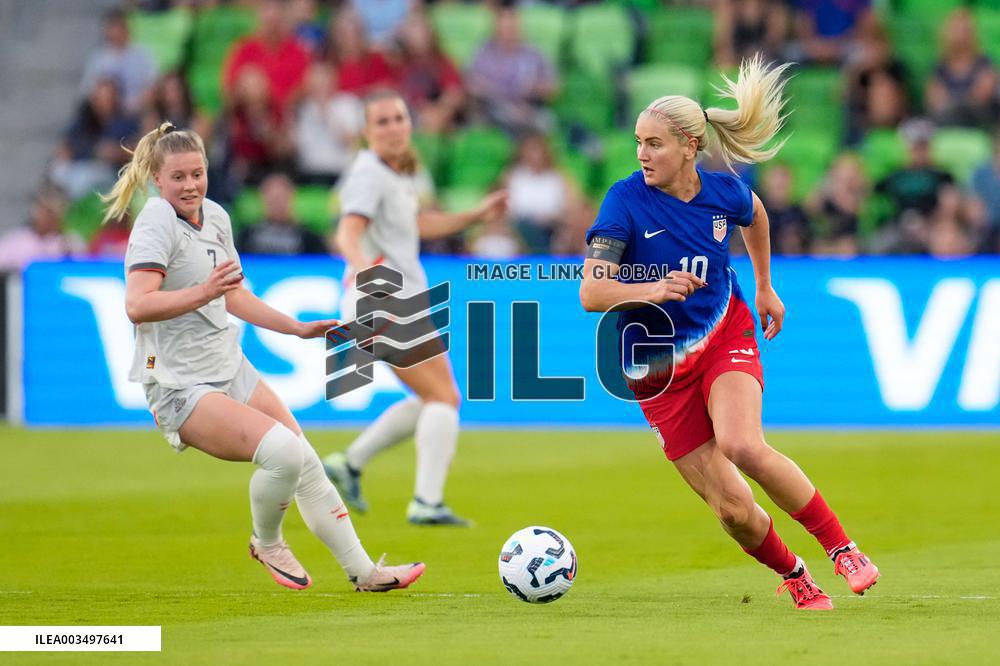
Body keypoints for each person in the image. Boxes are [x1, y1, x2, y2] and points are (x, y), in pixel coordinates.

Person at [578, 56, 879, 611]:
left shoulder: (723, 193)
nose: (642, 155)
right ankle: (793, 572)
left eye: (655, 144)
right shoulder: (624, 200)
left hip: (722, 334)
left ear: (691, 146)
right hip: (656, 371)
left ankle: (843, 549)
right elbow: (592, 293)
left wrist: (765, 286)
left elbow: (756, 214)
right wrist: (650, 289)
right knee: (733, 512)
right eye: (639, 143)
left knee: (742, 443)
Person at [107, 121, 424, 592]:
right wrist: (202, 292)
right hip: (178, 383)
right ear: (157, 179)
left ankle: (365, 573)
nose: (190, 184)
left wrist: (296, 328)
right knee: (282, 452)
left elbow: (232, 298)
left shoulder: (215, 216)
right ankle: (267, 540)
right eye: (178, 177)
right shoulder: (156, 221)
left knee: (307, 462)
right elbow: (137, 304)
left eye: (197, 173)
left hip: (228, 365)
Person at [322, 91, 507, 525]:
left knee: (433, 398)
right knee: (444, 396)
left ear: (409, 124)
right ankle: (426, 501)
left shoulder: (397, 173)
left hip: (393, 297)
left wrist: (475, 214)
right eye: (381, 121)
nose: (392, 127)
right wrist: (365, 270)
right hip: (383, 296)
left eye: (398, 118)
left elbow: (420, 225)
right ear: (367, 133)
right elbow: (347, 232)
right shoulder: (368, 172)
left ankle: (348, 464)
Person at [925, 9, 999, 129]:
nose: (959, 33)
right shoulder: (939, 68)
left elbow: (981, 99)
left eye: (963, 28)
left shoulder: (985, 64)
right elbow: (936, 103)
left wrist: (954, 101)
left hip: (979, 121)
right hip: (947, 122)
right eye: (955, 29)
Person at [79, 8, 156, 115]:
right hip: (106, 115)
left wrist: (131, 107)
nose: (114, 32)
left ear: (125, 28)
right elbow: (88, 91)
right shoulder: (98, 58)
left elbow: (152, 88)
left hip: (136, 113)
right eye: (110, 27)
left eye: (117, 27)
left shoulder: (142, 55)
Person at [236, 172, 328, 255]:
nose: (277, 205)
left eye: (281, 198)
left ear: (292, 197)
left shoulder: (309, 238)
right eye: (273, 199)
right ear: (262, 199)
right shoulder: (246, 236)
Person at [0, 186, 85, 271]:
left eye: (50, 212)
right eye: (42, 209)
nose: (44, 216)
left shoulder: (72, 244)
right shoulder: (15, 241)